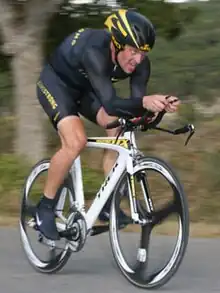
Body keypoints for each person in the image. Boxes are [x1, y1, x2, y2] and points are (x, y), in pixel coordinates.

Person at [35, 9, 180, 240]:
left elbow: (134, 110)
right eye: (133, 51)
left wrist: (157, 107)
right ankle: (45, 207)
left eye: (143, 53)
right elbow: (112, 103)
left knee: (119, 130)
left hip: (87, 90)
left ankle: (106, 203)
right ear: (117, 44)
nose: (138, 60)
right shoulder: (95, 51)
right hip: (57, 84)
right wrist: (144, 102)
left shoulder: (141, 64)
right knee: (76, 142)